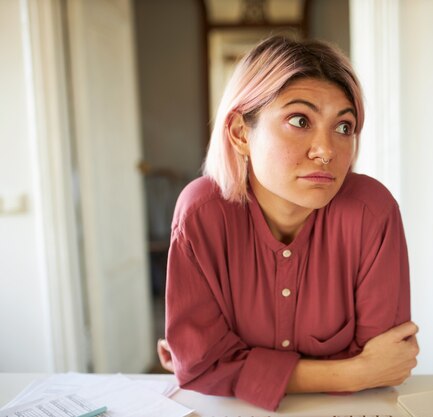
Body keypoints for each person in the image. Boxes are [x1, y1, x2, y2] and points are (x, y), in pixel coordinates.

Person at [162, 35, 419, 411]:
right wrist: (352, 372)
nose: (327, 150)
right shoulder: (201, 214)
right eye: (300, 120)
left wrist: (236, 369)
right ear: (240, 133)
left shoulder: (371, 212)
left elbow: (387, 362)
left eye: (343, 127)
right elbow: (201, 368)